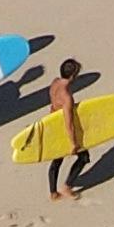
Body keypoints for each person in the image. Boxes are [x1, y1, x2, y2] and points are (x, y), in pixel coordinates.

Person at [43, 56, 95, 202]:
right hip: (63, 129)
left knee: (56, 161)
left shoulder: (54, 83)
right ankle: (67, 186)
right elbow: (69, 122)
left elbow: (53, 106)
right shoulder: (66, 96)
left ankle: (53, 193)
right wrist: (73, 143)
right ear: (73, 76)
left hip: (53, 123)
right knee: (84, 157)